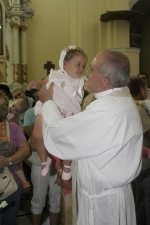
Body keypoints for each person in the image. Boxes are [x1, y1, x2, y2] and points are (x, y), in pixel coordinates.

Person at [39, 50, 143, 225]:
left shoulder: (106, 110)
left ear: (105, 81)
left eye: (92, 69)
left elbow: (60, 133)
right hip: (107, 197)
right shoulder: (120, 99)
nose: (87, 72)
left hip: (104, 205)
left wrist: (47, 102)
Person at [28, 46, 89, 178]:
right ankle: (44, 161)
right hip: (47, 107)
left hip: (69, 112)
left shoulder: (81, 81)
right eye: (78, 64)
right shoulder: (54, 74)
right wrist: (36, 84)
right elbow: (43, 82)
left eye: (83, 66)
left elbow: (93, 86)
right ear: (65, 64)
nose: (81, 69)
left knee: (69, 140)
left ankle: (67, 166)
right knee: (38, 136)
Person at [23, 106, 61, 225]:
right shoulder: (40, 118)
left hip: (57, 165)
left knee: (56, 200)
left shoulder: (61, 116)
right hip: (40, 164)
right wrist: (51, 147)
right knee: (38, 200)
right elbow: (33, 145)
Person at [0, 104, 30, 225]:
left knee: (8, 219)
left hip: (12, 184)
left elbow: (25, 150)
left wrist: (9, 160)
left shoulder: (13, 127)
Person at [128, 78, 150, 225]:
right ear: (141, 90)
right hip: (145, 162)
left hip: (135, 160)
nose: (147, 91)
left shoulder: (130, 106)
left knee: (138, 197)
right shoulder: (140, 110)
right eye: (146, 88)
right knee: (146, 198)